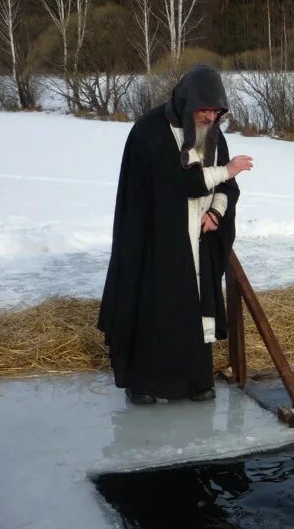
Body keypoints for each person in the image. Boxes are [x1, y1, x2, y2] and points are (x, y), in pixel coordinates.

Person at [98, 65, 253, 404]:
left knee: (193, 309)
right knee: (155, 307)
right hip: (155, 237)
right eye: (204, 109)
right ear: (187, 102)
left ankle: (196, 380)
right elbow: (181, 183)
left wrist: (216, 212)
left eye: (216, 111)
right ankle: (144, 383)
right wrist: (226, 170)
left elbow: (228, 188)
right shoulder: (151, 131)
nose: (210, 117)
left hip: (197, 239)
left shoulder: (213, 134)